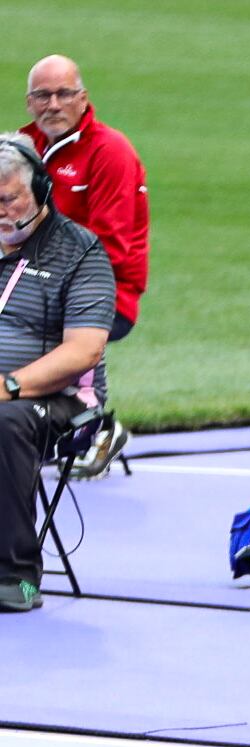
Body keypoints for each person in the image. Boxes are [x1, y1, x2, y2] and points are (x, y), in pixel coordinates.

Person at [21, 54, 149, 479]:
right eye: (42, 95)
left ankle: (96, 427)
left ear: (82, 98)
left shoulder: (110, 153)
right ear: (29, 102)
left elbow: (107, 250)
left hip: (108, 292)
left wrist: (37, 281)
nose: (53, 104)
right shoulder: (21, 150)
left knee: (34, 321)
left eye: (63, 94)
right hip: (30, 284)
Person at [0, 133, 113, 611]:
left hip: (61, 400)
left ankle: (18, 578)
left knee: (4, 423)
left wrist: (8, 386)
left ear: (42, 191)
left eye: (8, 199)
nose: (0, 211)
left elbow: (83, 352)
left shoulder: (80, 253)